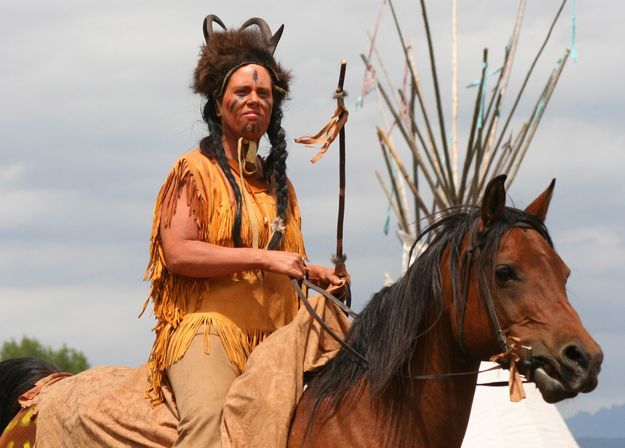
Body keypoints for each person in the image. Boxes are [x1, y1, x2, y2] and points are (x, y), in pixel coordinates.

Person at [142, 15, 342, 447]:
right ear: (218, 103)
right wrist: (265, 258)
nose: (254, 99)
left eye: (263, 93)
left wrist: (314, 274)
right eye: (242, 91)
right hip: (210, 333)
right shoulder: (194, 171)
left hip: (282, 339)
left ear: (274, 107)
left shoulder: (279, 187)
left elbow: (281, 262)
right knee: (209, 426)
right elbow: (178, 253)